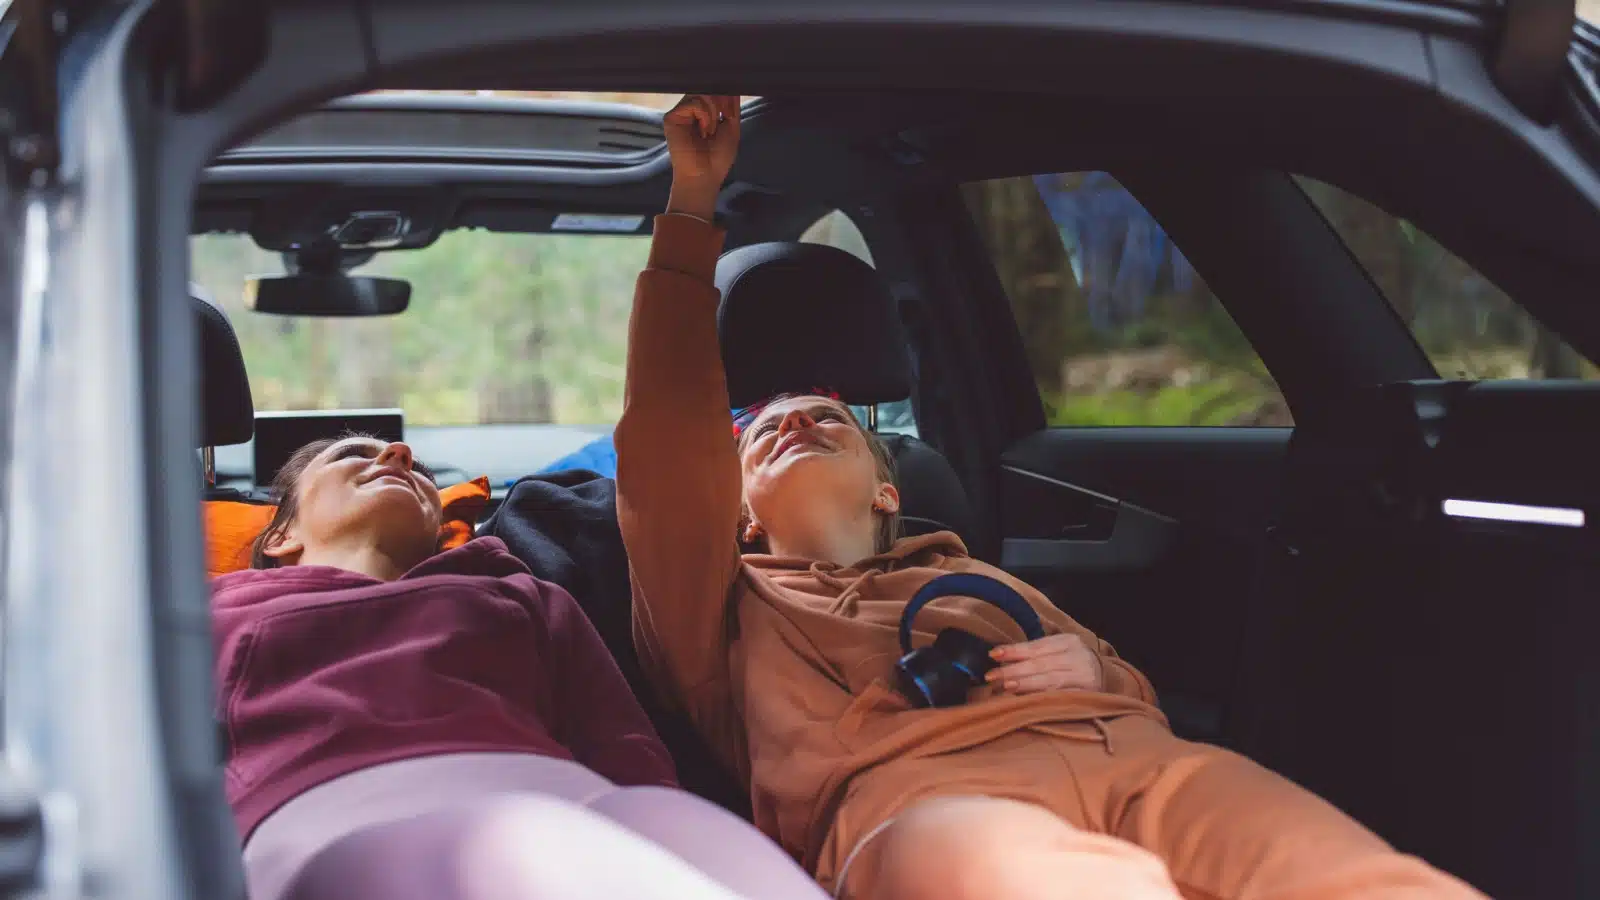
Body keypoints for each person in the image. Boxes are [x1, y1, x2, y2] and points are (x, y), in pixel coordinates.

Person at [615, 94, 1489, 900]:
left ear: (887, 489)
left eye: (826, 419)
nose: (797, 422)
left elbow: (1129, 687)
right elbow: (666, 441)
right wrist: (692, 202)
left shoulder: (970, 576)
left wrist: (1095, 668)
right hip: (918, 806)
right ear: (739, 512)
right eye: (764, 432)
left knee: (1359, 876)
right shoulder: (721, 616)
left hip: (1128, 759)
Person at [212, 434, 832, 900]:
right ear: (281, 535)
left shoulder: (518, 594)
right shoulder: (217, 610)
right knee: (511, 845)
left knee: (703, 840)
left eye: (418, 470)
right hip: (324, 817)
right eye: (353, 454)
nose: (400, 454)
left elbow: (623, 746)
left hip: (565, 801)